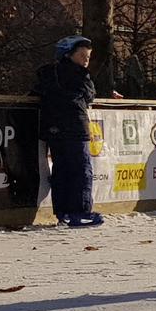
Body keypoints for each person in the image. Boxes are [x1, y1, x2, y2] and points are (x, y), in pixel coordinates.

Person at [33, 35, 102, 227]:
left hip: (53, 129)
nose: (86, 60)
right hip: (75, 127)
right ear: (68, 54)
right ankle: (79, 210)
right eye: (82, 55)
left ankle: (63, 210)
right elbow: (89, 95)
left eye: (87, 56)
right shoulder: (78, 76)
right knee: (80, 170)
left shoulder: (48, 75)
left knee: (62, 169)